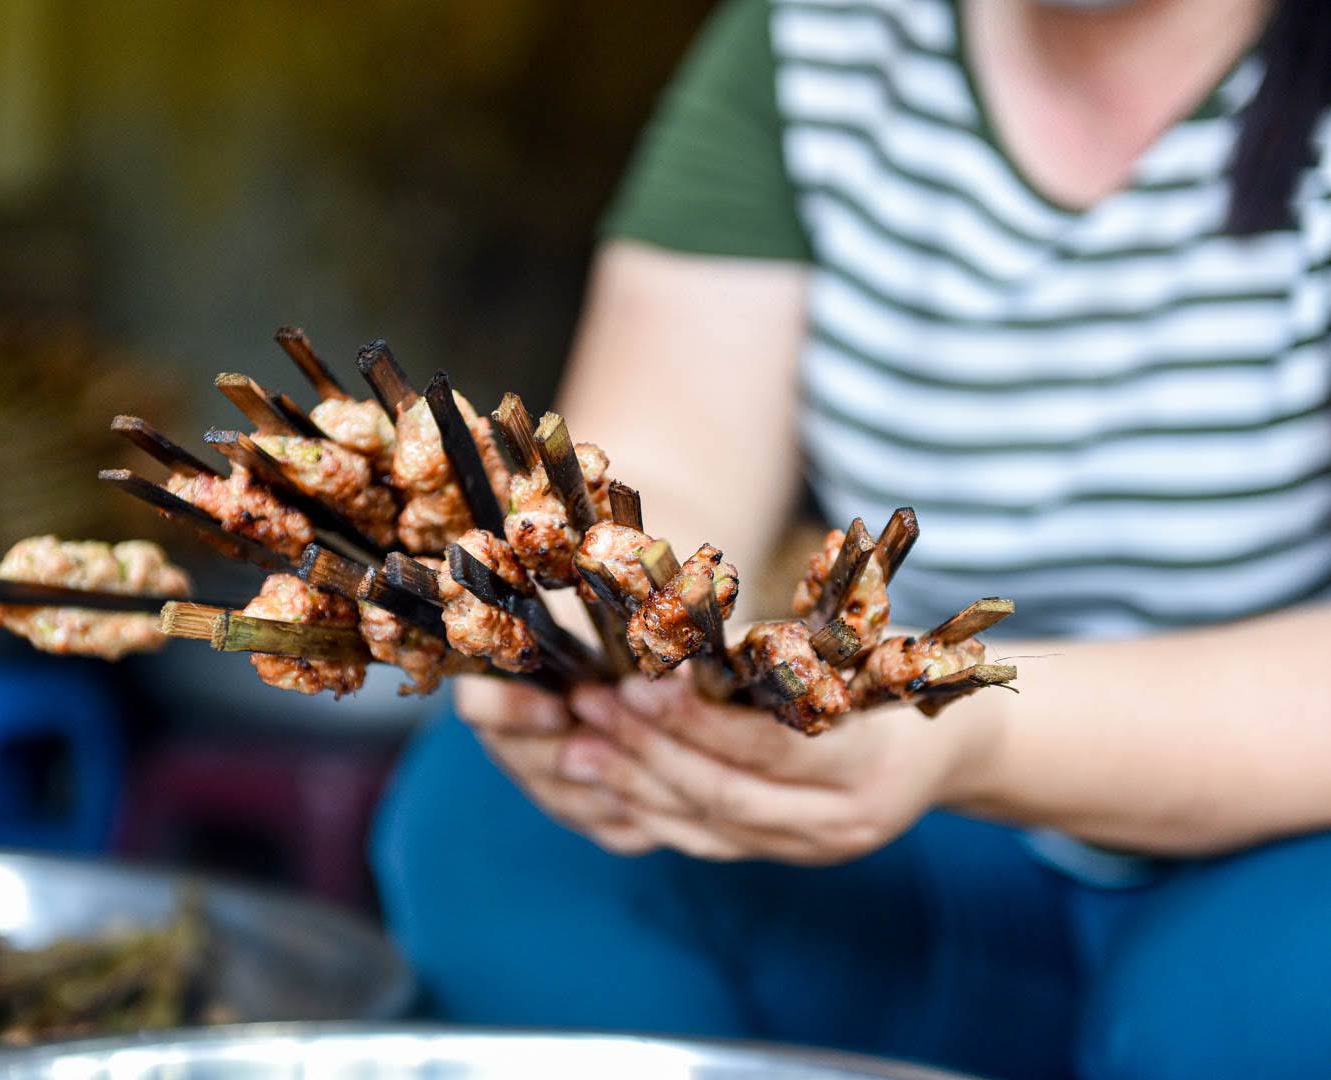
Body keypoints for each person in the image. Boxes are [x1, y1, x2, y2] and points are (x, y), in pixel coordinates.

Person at [372, 0, 1331, 1076]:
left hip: (1275, 855)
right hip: (929, 855)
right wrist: (578, 639)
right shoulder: (819, 36)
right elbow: (667, 471)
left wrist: (965, 724)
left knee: (1269, 1006)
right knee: (492, 828)